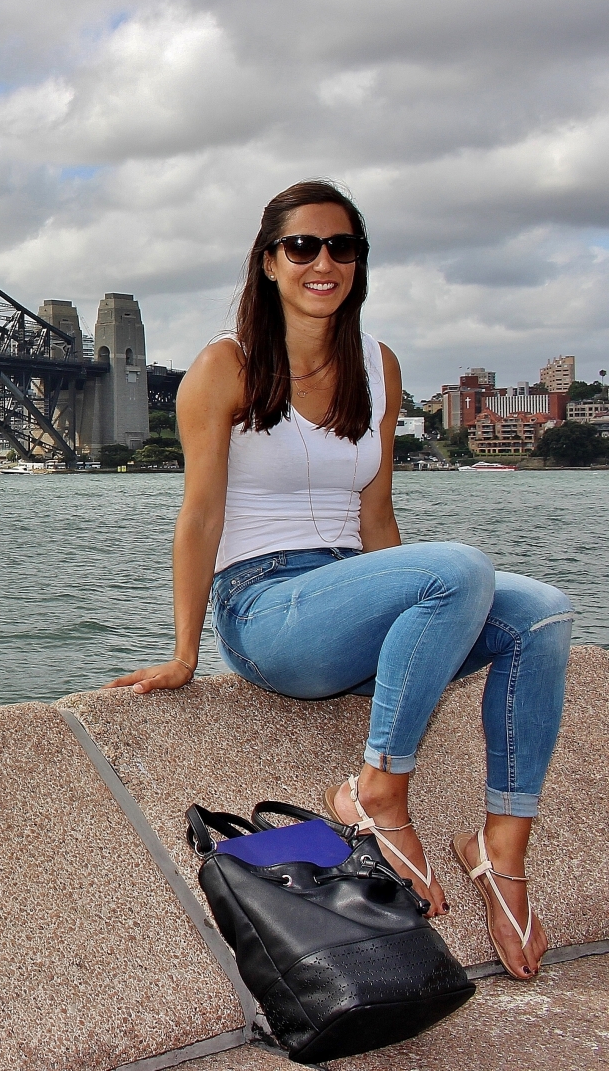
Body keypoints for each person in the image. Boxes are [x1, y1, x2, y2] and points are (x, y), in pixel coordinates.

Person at [109, 180, 572, 981]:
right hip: (267, 609)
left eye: (342, 247)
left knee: (543, 613)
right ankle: (377, 794)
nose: (324, 262)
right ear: (267, 263)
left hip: (347, 593)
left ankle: (501, 851)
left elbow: (378, 515)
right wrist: (183, 654)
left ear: (358, 262)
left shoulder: (376, 364)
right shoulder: (226, 366)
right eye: (302, 247)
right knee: (458, 564)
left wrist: (402, 601)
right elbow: (199, 518)